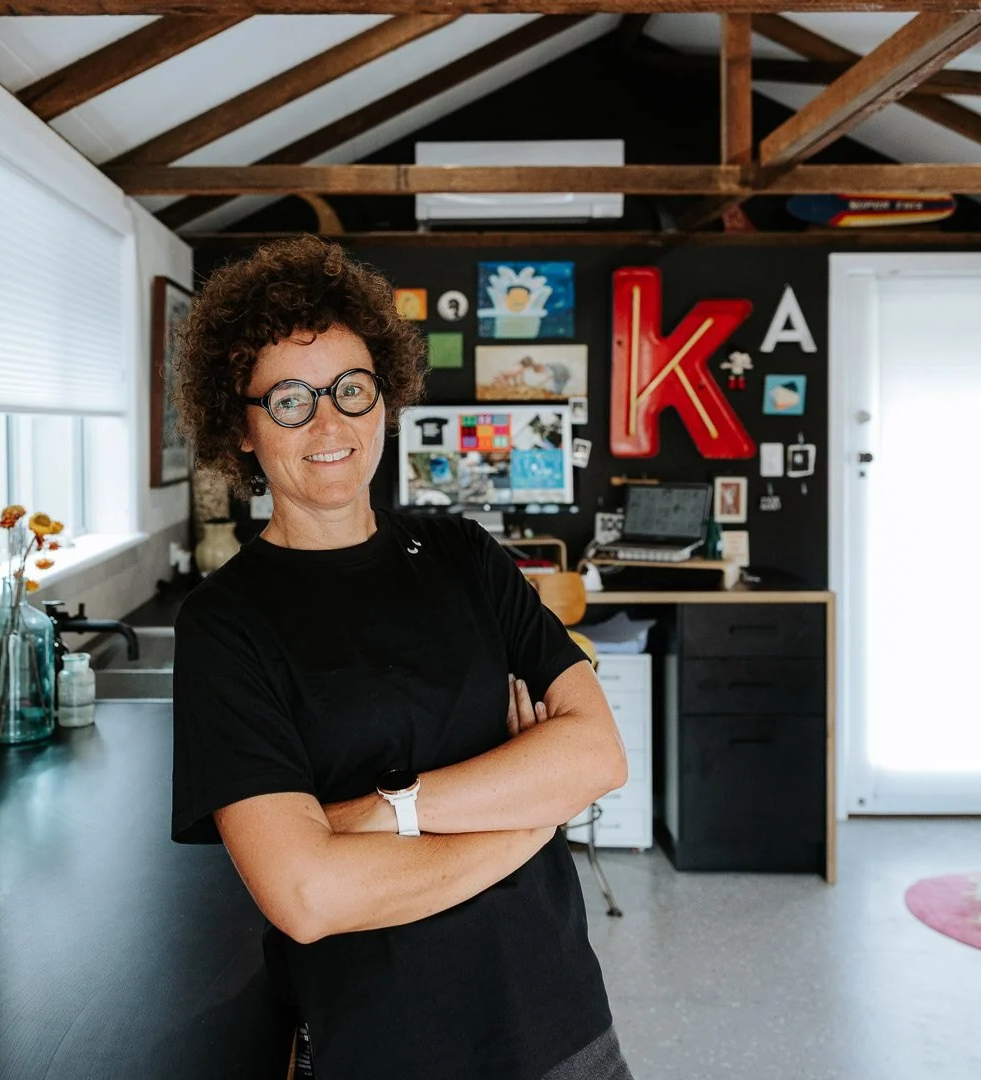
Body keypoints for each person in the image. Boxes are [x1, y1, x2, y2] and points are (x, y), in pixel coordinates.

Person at [170, 235, 634, 1080]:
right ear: (239, 427)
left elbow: (598, 753)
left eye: (351, 388)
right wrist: (532, 810)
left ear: (386, 394)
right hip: (384, 1043)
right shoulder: (225, 625)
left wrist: (382, 815)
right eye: (288, 400)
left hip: (559, 1016)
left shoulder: (463, 553)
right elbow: (309, 895)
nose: (329, 422)